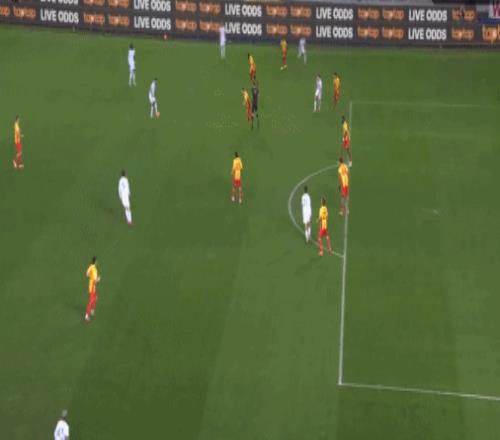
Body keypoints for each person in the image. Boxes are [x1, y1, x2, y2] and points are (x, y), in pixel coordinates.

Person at [85, 256, 100, 322]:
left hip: (91, 287)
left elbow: (86, 274)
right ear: (95, 261)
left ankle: (92, 310)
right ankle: (87, 315)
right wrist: (98, 279)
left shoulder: (90, 266)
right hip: (92, 288)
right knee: (91, 301)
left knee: (95, 298)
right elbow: (95, 281)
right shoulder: (94, 270)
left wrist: (91, 277)